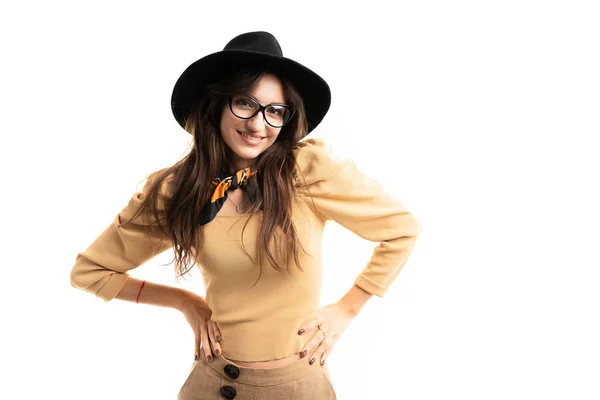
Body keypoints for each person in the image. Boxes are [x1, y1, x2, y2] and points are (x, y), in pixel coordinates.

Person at [70, 31, 422, 399]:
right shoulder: (177, 190)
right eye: (245, 103)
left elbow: (401, 231)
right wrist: (185, 302)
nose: (258, 125)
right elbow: (90, 273)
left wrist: (347, 309)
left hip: (299, 386)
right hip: (212, 383)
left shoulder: (307, 169)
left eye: (274, 111)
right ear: (217, 104)